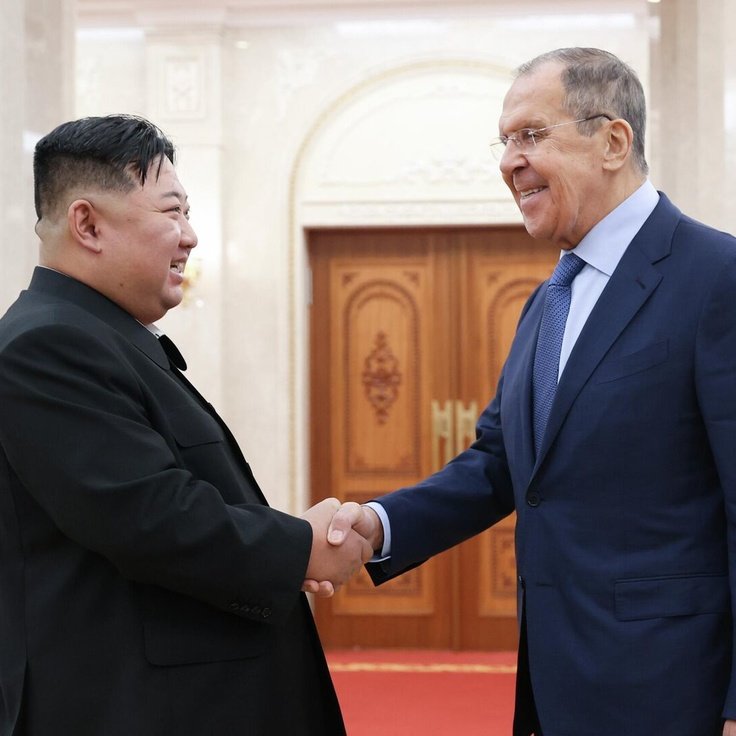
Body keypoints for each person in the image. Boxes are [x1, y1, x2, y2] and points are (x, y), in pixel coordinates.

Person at [318, 47, 736, 736]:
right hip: (554, 686)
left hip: (673, 691)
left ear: (613, 142)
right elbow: (499, 464)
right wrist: (378, 526)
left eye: (531, 135)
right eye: (505, 141)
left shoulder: (717, 276)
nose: (509, 161)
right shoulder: (548, 301)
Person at [0, 114, 372, 735]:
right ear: (87, 224)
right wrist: (298, 547)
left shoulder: (102, 334)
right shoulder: (48, 344)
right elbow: (148, 515)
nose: (191, 236)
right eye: (172, 212)